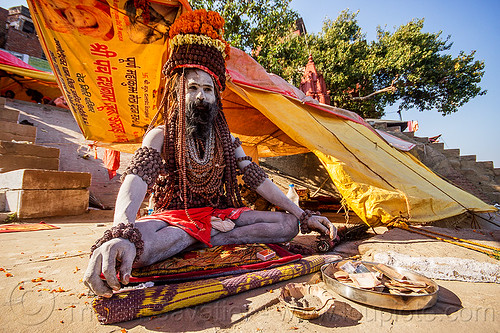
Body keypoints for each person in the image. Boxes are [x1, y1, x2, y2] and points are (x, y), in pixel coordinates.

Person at [83, 9, 336, 297]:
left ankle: (202, 238)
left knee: (288, 224)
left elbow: (259, 181)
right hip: (176, 218)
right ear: (178, 91)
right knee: (135, 250)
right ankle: (204, 237)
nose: (201, 97)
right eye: (192, 88)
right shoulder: (160, 135)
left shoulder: (228, 140)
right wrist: (121, 231)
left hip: (222, 213)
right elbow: (136, 180)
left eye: (208, 89)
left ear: (216, 95)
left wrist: (303, 215)